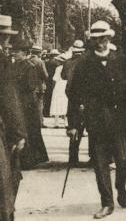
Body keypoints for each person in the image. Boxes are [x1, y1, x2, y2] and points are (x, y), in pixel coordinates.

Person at [66, 21, 126, 219]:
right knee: (100, 163)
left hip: (121, 120)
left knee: (123, 160)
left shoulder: (122, 60)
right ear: (92, 41)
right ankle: (107, 203)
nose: (100, 43)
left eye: (103, 39)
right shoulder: (84, 64)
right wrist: (72, 124)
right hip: (96, 120)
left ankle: (120, 186)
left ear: (109, 39)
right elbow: (73, 95)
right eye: (96, 40)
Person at [0, 15, 26, 221]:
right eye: (6, 38)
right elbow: (8, 97)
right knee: (5, 178)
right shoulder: (3, 61)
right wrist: (18, 133)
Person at [12, 40, 49, 169]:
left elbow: (31, 86)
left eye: (17, 52)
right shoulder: (14, 65)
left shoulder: (29, 66)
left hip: (27, 103)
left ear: (25, 53)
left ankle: (29, 160)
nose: (15, 53)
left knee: (29, 130)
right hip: (18, 100)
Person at [62, 40, 86, 164]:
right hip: (85, 98)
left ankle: (73, 157)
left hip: (72, 98)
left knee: (73, 127)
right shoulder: (87, 63)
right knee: (91, 128)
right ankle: (95, 157)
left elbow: (63, 77)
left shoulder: (67, 63)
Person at [29, 45, 49, 127]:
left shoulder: (27, 60)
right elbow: (45, 75)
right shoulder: (40, 62)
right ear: (39, 53)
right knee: (39, 105)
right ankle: (39, 122)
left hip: (29, 86)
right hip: (39, 87)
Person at [49, 53, 69, 128]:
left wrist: (53, 87)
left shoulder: (58, 68)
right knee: (65, 103)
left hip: (59, 85)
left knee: (57, 103)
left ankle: (56, 122)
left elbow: (54, 79)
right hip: (65, 85)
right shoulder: (69, 67)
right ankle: (66, 122)